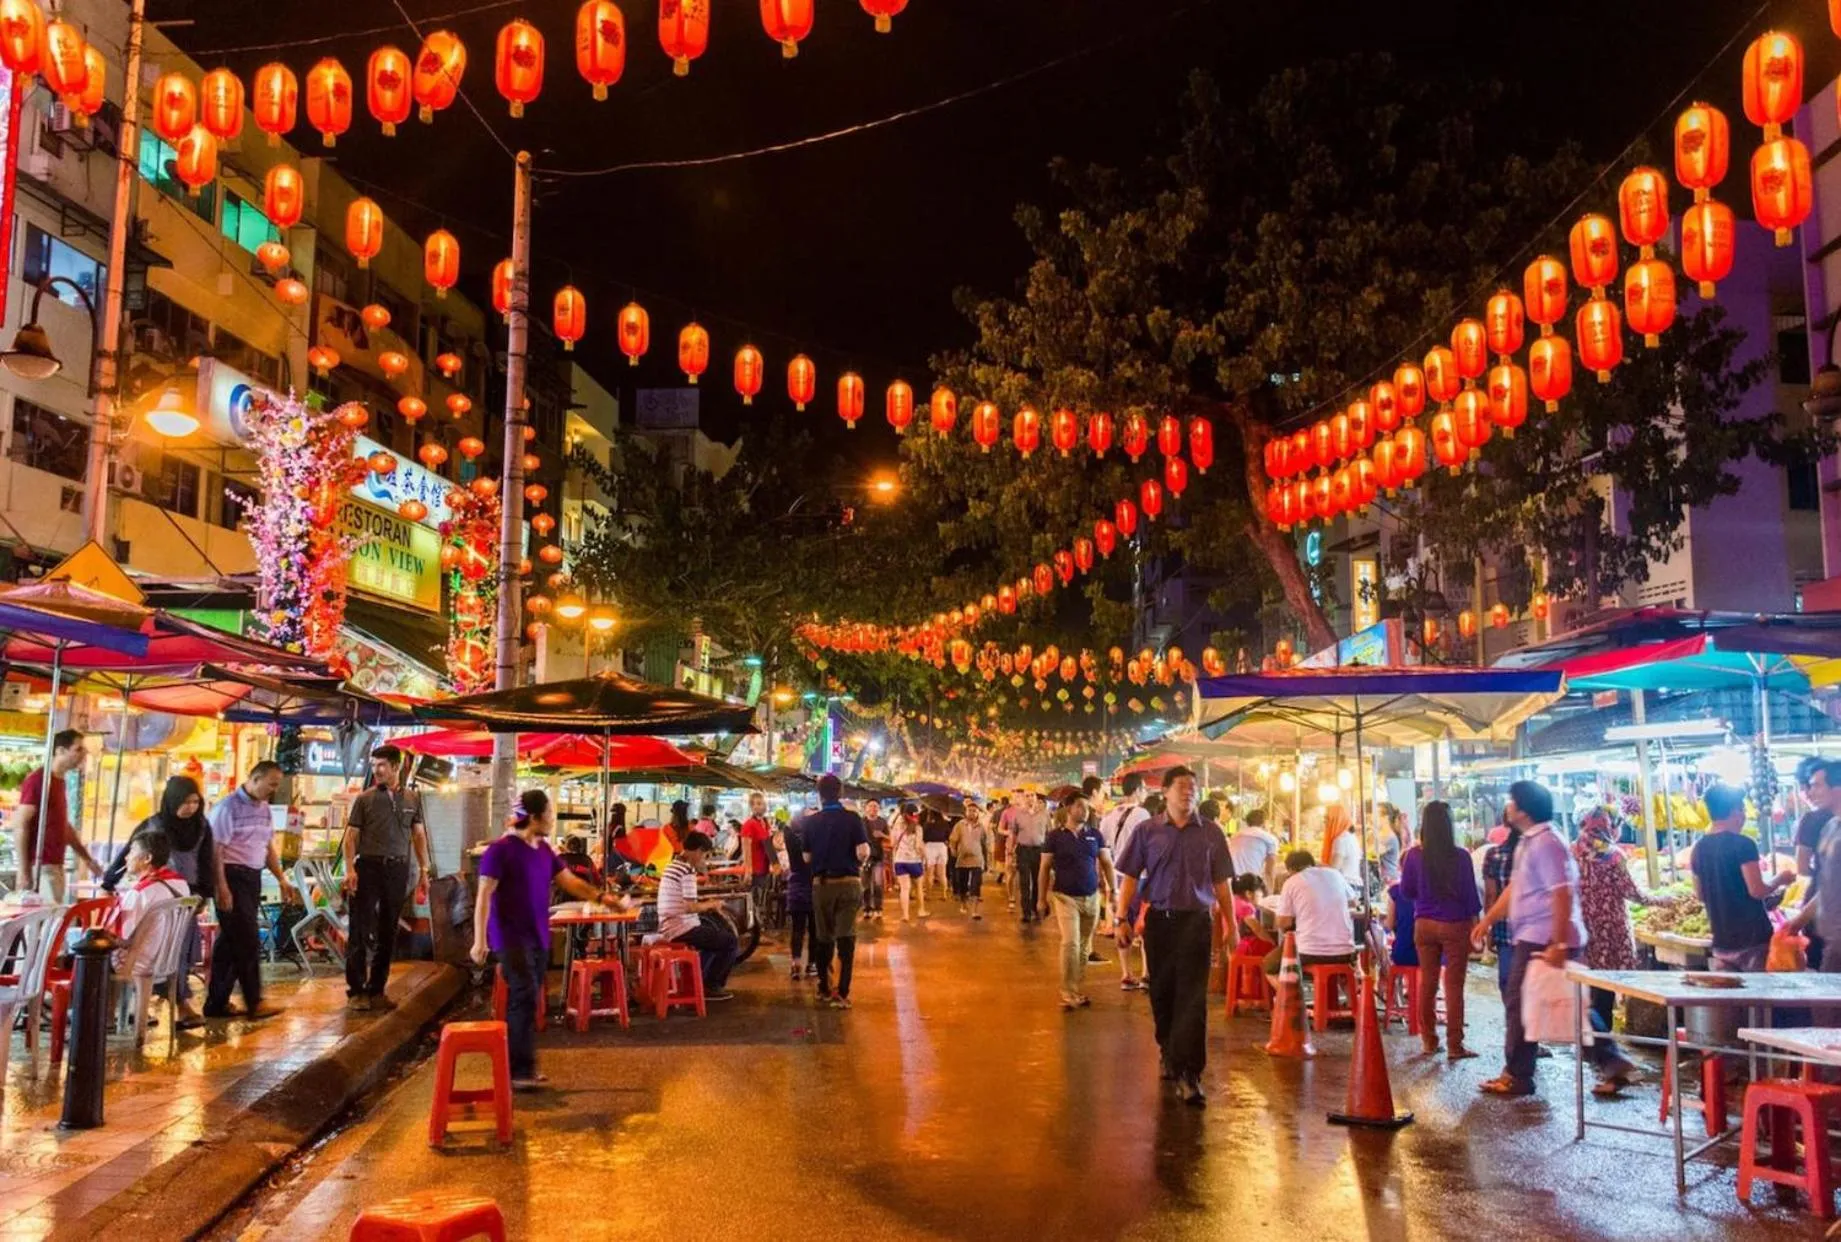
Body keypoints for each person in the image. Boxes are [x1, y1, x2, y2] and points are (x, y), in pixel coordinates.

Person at [1475, 780, 1637, 1099]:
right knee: (1563, 1003)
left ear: (1523, 809)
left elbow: (1561, 892)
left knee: (1523, 1003)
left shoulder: (1547, 842)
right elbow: (1517, 888)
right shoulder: (1531, 842)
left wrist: (1559, 943)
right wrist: (1489, 920)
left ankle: (1519, 1074)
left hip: (1544, 937)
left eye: (1511, 802)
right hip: (1537, 936)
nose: (1507, 807)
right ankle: (1611, 1060)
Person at [470, 790, 620, 1089]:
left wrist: (603, 898)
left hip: (538, 935)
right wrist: (479, 941)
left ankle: (523, 1067)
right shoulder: (500, 850)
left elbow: (571, 882)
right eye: (550, 813)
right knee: (523, 995)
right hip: (509, 937)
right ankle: (518, 1071)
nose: (553, 818)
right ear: (536, 817)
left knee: (529, 997)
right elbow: (484, 896)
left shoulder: (544, 851)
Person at [1115, 766, 1238, 1106]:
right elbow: (1129, 877)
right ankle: (1168, 1048)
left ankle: (1190, 1072)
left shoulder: (1212, 833)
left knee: (1193, 997)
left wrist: (1232, 925)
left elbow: (1222, 884)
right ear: (1166, 792)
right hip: (1160, 923)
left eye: (1193, 788)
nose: (1189, 793)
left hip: (1197, 923)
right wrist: (1120, 918)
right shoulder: (1147, 831)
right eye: (1182, 787)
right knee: (1162, 992)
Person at [1572, 805, 1677, 1092]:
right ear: (1608, 825)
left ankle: (1601, 1058)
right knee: (1602, 998)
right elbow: (1634, 894)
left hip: (1584, 934)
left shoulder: (1571, 853)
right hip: (1612, 934)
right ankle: (1608, 1065)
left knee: (1589, 996)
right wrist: (1662, 900)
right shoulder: (1614, 856)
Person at [102, 775, 215, 1028]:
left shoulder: (202, 827)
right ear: (172, 800)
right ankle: (158, 1008)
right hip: (178, 895)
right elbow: (127, 853)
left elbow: (207, 861)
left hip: (185, 898)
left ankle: (109, 1015)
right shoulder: (153, 826)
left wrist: (206, 894)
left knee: (170, 951)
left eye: (195, 802)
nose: (191, 808)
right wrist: (109, 881)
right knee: (168, 950)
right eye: (185, 802)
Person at [338, 745, 433, 1013]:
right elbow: (351, 837)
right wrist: (349, 869)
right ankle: (357, 991)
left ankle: (377, 989)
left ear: (396, 767)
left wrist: (425, 870)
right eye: (374, 764)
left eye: (381, 765)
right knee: (359, 929)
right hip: (367, 867)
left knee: (388, 930)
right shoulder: (365, 799)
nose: (376, 770)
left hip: (398, 869)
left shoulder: (413, 799)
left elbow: (418, 836)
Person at [205, 761, 300, 1020]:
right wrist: (221, 887)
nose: (274, 789)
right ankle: (254, 1001)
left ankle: (216, 1003)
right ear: (255, 779)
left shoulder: (264, 809)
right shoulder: (227, 808)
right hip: (231, 876)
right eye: (271, 783)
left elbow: (267, 847)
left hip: (253, 877)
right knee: (247, 940)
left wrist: (281, 878)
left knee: (229, 944)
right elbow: (216, 851)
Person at [1399, 800, 1482, 1059]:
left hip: (1423, 925)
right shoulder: (1460, 856)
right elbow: (1470, 897)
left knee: (1428, 983)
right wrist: (1478, 925)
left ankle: (1429, 1041)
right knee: (1454, 986)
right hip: (1455, 924)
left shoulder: (1413, 855)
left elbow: (1406, 891)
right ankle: (1455, 1046)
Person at [1692, 783, 1792, 972]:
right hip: (1752, 939)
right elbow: (1757, 890)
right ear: (1736, 811)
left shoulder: (1698, 848)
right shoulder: (1743, 844)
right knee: (1761, 996)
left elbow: (1700, 895)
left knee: (1731, 998)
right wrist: (1780, 879)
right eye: (1743, 810)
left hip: (1721, 941)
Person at [799, 774, 869, 1009]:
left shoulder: (811, 822)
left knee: (823, 937)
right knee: (846, 937)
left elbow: (806, 857)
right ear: (840, 793)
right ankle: (842, 992)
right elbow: (863, 852)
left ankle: (824, 988)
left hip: (822, 885)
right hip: (849, 882)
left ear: (819, 794)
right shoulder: (852, 819)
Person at [1040, 793, 1115, 1009]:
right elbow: (1044, 868)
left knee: (1083, 947)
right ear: (1069, 809)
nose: (1086, 811)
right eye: (1081, 807)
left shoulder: (1095, 835)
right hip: (1064, 897)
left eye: (1088, 808)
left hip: (1091, 897)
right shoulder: (1055, 836)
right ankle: (1067, 992)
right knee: (1070, 943)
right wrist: (1041, 899)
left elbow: (1107, 863)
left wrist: (1113, 891)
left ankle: (1076, 988)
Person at [10, 728, 100, 899]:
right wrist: (24, 870)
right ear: (60, 751)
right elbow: (20, 824)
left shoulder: (59, 782)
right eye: (78, 749)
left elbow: (63, 826)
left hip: (54, 865)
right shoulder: (38, 780)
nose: (83, 754)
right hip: (40, 866)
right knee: (44, 921)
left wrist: (86, 858)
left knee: (53, 920)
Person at [656, 832, 740, 1001]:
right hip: (681, 927)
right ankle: (712, 986)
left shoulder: (673, 866)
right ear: (698, 851)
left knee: (714, 937)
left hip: (670, 925)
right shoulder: (686, 871)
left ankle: (699, 982)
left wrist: (708, 902)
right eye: (704, 855)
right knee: (731, 942)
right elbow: (690, 907)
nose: (704, 860)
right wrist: (712, 904)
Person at [1263, 849, 1359, 978]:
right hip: (1346, 952)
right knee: (1342, 976)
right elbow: (1354, 902)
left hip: (1309, 953)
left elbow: (1282, 922)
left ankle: (1288, 997)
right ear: (1312, 863)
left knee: (1268, 966)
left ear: (1290, 870)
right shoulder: (1335, 874)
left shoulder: (1292, 882)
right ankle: (1344, 996)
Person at [1100, 774, 1152, 987]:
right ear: (1138, 789)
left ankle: (1126, 974)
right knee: (1144, 924)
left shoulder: (1109, 815)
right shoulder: (1142, 813)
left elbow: (1103, 848)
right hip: (1139, 877)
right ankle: (1146, 973)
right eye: (1145, 787)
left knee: (1122, 922)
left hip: (1117, 875)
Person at [1480, 815, 1521, 997]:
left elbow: (1491, 897)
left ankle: (1514, 1021)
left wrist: (1488, 927)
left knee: (1507, 982)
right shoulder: (1541, 853)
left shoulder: (1495, 855)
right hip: (1537, 934)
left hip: (1505, 930)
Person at [783, 812, 817, 981]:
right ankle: (812, 963)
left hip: (795, 885)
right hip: (813, 885)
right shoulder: (813, 841)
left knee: (797, 929)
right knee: (814, 929)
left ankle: (795, 963)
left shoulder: (789, 837)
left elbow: (787, 826)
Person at [1010, 789, 1050, 925]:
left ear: (1036, 797)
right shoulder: (1018, 815)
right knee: (1025, 882)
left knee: (1038, 881)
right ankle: (1026, 912)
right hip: (1023, 851)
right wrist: (1010, 851)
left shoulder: (1045, 814)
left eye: (1032, 795)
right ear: (1023, 798)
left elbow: (1049, 834)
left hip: (1039, 851)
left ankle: (1036, 908)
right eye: (1027, 796)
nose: (1029, 798)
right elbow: (1013, 834)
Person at [948, 800, 992, 919]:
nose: (972, 813)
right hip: (962, 860)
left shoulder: (981, 827)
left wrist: (986, 861)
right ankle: (963, 904)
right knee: (963, 885)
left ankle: (975, 911)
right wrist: (953, 850)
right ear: (965, 812)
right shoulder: (959, 825)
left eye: (974, 811)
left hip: (977, 860)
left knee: (975, 885)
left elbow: (984, 844)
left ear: (978, 813)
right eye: (970, 810)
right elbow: (952, 840)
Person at [739, 792, 776, 918]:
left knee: (761, 899)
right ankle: (754, 925)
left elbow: (769, 844)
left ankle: (759, 923)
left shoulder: (765, 823)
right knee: (753, 900)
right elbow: (746, 848)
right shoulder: (749, 824)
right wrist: (748, 870)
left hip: (764, 867)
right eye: (754, 804)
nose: (758, 807)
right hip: (755, 869)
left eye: (760, 803)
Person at [1228, 807, 1281, 893]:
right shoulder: (1270, 839)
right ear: (1265, 822)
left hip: (1232, 881)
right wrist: (1270, 892)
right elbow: (1269, 870)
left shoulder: (1236, 836)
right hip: (1252, 882)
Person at [891, 802, 928, 922]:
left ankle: (905, 915)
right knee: (918, 887)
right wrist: (924, 857)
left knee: (905, 889)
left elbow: (892, 844)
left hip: (900, 860)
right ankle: (921, 910)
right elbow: (919, 846)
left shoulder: (896, 828)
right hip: (914, 861)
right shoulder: (918, 828)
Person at [1321, 803, 1363, 890]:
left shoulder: (1341, 840)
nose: (1325, 822)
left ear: (1336, 820)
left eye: (1327, 818)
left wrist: (1314, 868)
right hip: (1352, 885)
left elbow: (1334, 869)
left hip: (1346, 886)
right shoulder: (1350, 836)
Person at [861, 799, 890, 918]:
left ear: (879, 808)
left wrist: (882, 835)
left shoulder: (882, 822)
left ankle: (878, 907)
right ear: (866, 808)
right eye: (871, 806)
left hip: (878, 855)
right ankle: (867, 908)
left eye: (875, 806)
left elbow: (890, 837)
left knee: (878, 883)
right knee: (865, 884)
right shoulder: (860, 822)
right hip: (864, 857)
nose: (873, 808)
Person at [921, 807, 953, 900]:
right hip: (942, 847)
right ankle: (944, 894)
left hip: (930, 847)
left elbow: (923, 837)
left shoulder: (927, 824)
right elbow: (948, 837)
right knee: (942, 873)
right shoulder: (945, 823)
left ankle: (928, 895)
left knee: (930, 873)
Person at [1376, 803, 1406, 887]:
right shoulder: (1384, 835)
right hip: (1388, 879)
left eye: (1377, 814)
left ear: (1386, 817)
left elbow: (1375, 852)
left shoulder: (1390, 837)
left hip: (1390, 881)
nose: (1373, 818)